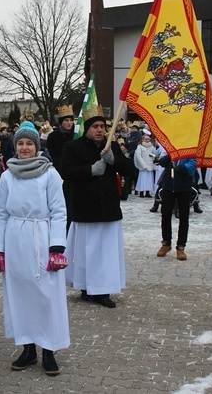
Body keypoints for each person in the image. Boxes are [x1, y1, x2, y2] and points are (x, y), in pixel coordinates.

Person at [0, 121, 69, 376]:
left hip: (41, 237)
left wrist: (57, 248)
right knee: (19, 294)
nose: (24, 148)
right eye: (20, 143)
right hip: (15, 238)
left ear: (37, 146)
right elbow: (0, 213)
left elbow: (59, 211)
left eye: (29, 143)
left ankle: (48, 349)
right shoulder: (8, 174)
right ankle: (27, 348)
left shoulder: (49, 173)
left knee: (45, 294)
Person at [60, 103, 132, 308]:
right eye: (95, 126)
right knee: (86, 252)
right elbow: (65, 171)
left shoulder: (111, 146)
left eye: (102, 126)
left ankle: (103, 290)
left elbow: (130, 169)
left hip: (108, 209)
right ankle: (86, 287)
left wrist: (113, 160)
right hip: (85, 208)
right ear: (87, 128)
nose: (100, 130)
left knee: (106, 253)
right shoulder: (72, 147)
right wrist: (90, 170)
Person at [156, 155, 197, 260]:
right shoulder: (172, 150)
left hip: (184, 187)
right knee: (165, 214)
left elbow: (192, 166)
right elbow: (162, 163)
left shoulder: (190, 151)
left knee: (183, 217)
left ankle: (181, 246)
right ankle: (166, 243)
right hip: (168, 187)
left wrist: (180, 168)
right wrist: (169, 158)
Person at [46, 105, 75, 231]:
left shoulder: (76, 135)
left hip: (72, 175)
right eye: (66, 120)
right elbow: (51, 155)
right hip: (58, 173)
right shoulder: (53, 136)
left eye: (71, 120)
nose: (69, 123)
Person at [134, 131, 156, 198]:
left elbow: (154, 154)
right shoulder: (140, 146)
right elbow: (138, 156)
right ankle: (141, 192)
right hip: (143, 166)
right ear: (143, 139)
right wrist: (143, 164)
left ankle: (147, 192)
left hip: (150, 165)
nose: (147, 140)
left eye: (148, 139)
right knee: (142, 179)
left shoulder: (152, 146)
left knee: (149, 180)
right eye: (145, 139)